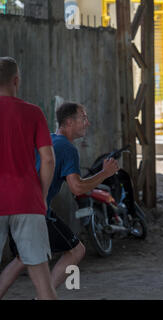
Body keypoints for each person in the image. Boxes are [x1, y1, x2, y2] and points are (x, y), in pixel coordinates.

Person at [0, 102, 120, 299]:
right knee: (76, 250)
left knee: (22, 258)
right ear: (68, 122)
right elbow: (77, 187)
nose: (87, 123)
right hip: (36, 209)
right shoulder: (67, 148)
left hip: (15, 205)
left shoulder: (48, 140)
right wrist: (104, 174)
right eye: (83, 118)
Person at [0, 57, 57, 300]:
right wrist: (41, 196)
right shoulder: (33, 112)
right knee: (44, 288)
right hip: (27, 200)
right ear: (16, 80)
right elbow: (48, 159)